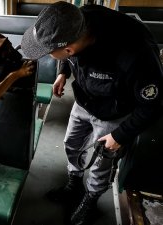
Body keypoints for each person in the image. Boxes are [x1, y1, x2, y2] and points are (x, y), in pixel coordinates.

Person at [21, 1, 163, 225]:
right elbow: (66, 55)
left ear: (69, 49)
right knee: (71, 142)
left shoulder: (137, 54)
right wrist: (63, 73)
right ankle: (74, 182)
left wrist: (119, 136)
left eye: (50, 53)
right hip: (84, 100)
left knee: (101, 163)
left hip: (115, 112)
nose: (49, 57)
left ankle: (91, 199)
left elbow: (153, 105)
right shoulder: (77, 19)